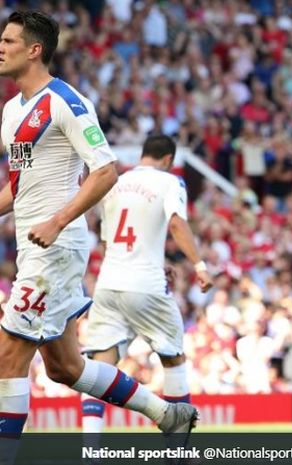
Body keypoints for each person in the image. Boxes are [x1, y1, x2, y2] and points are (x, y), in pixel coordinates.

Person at [0, 11, 195, 464]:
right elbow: (20, 182)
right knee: (66, 367)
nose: (0, 47)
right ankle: (167, 414)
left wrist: (57, 220)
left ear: (35, 50)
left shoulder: (67, 102)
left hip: (56, 249)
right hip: (36, 247)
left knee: (8, 356)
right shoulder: (13, 111)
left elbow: (105, 171)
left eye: (9, 40)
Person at [80, 135, 213, 437]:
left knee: (100, 366)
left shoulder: (114, 183)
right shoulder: (170, 182)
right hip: (147, 285)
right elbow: (177, 223)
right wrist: (200, 266)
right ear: (169, 159)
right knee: (173, 357)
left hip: (109, 283)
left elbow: (110, 239)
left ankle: (90, 451)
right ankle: (178, 450)